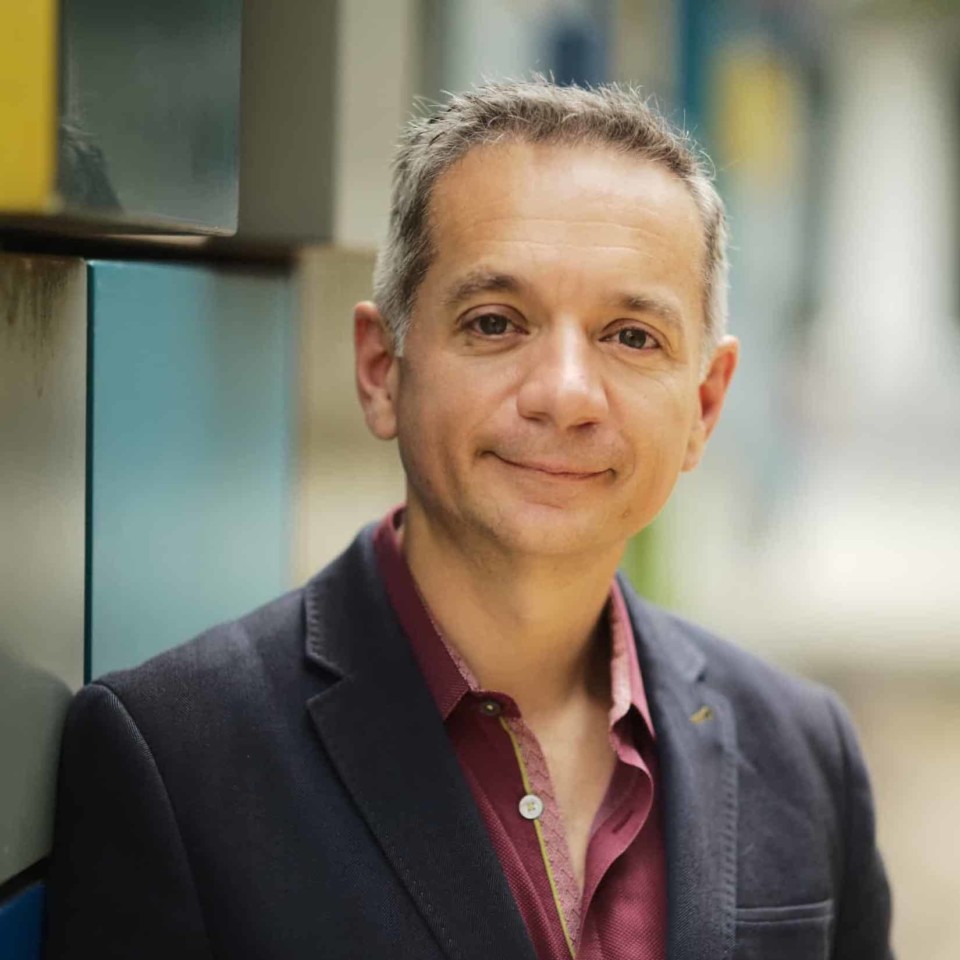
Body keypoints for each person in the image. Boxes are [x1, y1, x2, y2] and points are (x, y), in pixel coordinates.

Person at [44, 78, 893, 960]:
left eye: (632, 336)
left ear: (705, 407)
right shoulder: (175, 760)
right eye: (496, 323)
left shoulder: (806, 753)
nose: (565, 394)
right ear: (382, 369)